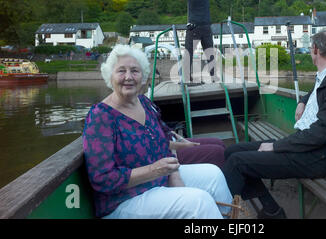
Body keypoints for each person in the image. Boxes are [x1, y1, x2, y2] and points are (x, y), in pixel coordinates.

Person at [222, 30, 326, 219]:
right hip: (302, 145)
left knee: (237, 162)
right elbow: (319, 91)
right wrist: (303, 100)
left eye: (311, 48)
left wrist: (276, 146)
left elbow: (321, 133)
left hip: (319, 155)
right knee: (231, 152)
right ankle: (272, 210)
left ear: (315, 49)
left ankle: (221, 215)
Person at [82, 44, 232, 218]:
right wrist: (154, 170)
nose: (128, 77)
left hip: (158, 180)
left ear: (143, 76)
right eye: (121, 71)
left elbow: (163, 142)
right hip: (123, 200)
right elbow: (102, 179)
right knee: (198, 202)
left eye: (135, 71)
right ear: (110, 76)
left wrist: (173, 175)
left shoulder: (144, 103)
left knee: (213, 175)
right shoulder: (101, 116)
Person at [175, 0, 217, 84]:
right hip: (206, 27)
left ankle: (187, 78)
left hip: (193, 28)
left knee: (189, 53)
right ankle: (214, 77)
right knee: (209, 53)